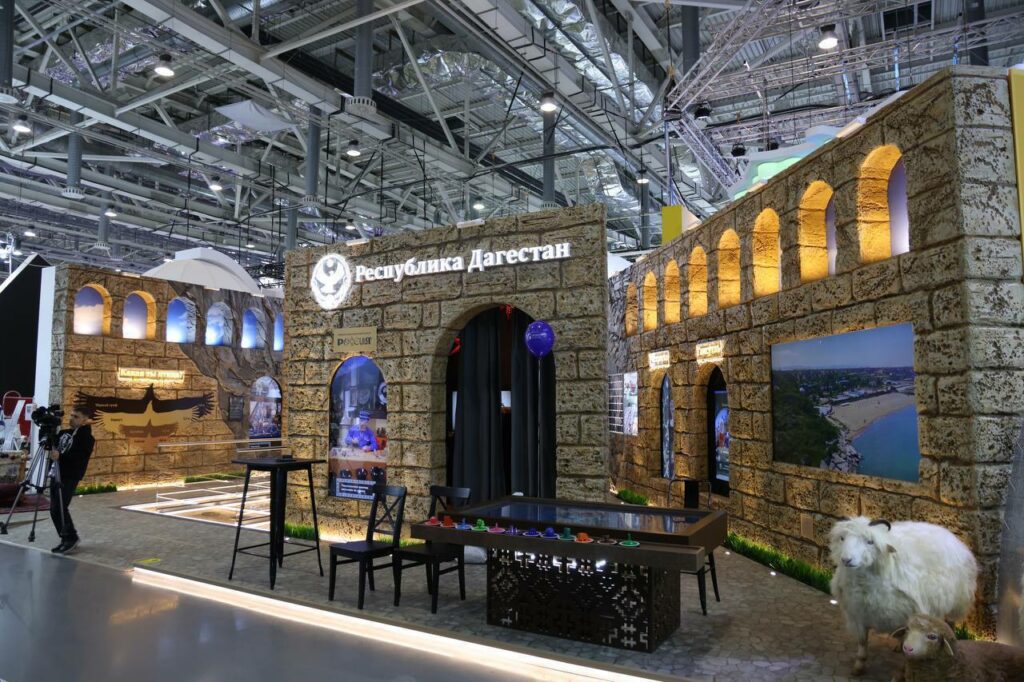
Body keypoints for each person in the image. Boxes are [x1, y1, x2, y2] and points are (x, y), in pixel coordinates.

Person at [48, 407, 95, 554]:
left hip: (70, 475)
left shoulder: (87, 438)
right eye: (71, 415)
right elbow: (51, 445)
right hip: (56, 473)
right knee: (54, 509)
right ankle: (65, 538)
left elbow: (79, 458)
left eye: (76, 416)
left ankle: (71, 538)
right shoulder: (64, 433)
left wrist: (60, 457)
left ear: (85, 420)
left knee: (60, 507)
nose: (71, 418)